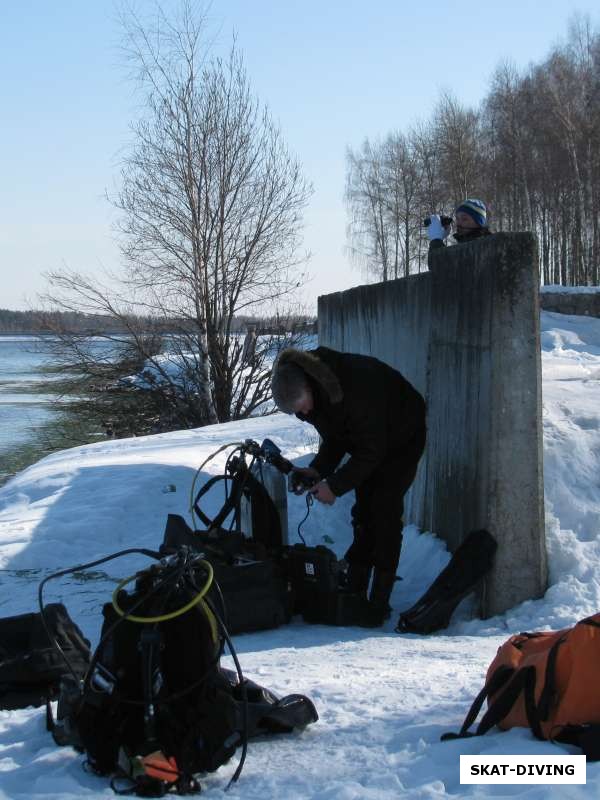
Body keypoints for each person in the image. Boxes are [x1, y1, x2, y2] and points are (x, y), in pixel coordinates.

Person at [271, 346, 426, 627]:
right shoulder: (316, 398)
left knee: (384, 511)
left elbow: (372, 449)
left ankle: (379, 601)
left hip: (402, 434)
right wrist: (317, 470)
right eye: (297, 412)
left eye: (302, 405)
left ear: (308, 386)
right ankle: (355, 586)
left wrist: (336, 486)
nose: (303, 413)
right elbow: (338, 437)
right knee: (363, 511)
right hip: (371, 439)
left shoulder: (354, 389)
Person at [427, 198, 491, 267]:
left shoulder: (484, 245)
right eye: (457, 218)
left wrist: (436, 241)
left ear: (478, 223)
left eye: (464, 219)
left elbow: (445, 268)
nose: (459, 223)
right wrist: (440, 238)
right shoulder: (465, 245)